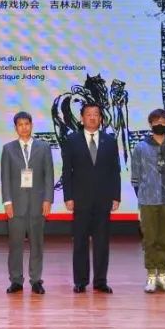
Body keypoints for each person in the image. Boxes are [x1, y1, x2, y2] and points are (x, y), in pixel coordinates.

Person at [61, 102, 121, 294]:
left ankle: (100, 281)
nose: (93, 117)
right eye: (89, 114)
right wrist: (68, 196)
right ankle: (80, 281)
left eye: (96, 114)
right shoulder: (72, 140)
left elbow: (115, 171)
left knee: (102, 242)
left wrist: (116, 196)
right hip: (80, 199)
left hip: (103, 199)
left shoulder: (110, 141)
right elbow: (67, 171)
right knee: (80, 241)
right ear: (82, 118)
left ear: (101, 118)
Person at [131, 109, 165, 294]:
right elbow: (135, 177)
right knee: (150, 239)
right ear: (150, 124)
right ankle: (151, 275)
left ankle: (162, 273)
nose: (159, 124)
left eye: (163, 121)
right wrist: (144, 195)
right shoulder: (140, 147)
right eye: (156, 121)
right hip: (147, 201)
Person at [1, 111, 53, 295]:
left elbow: (49, 175)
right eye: (20, 124)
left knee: (37, 244)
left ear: (31, 125)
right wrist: (7, 201)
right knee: (15, 245)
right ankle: (16, 280)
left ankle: (36, 280)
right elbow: (5, 177)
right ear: (16, 128)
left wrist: (48, 199)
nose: (24, 127)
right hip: (16, 205)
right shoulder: (8, 149)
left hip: (38, 204)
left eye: (27, 124)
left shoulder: (43, 147)